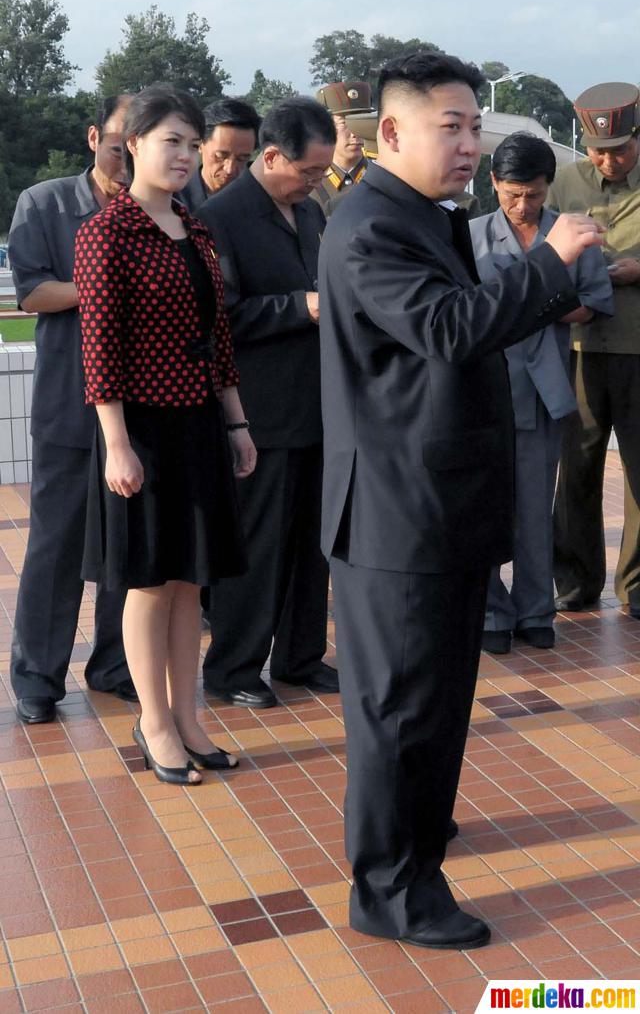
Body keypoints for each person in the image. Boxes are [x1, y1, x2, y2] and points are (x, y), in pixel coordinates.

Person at [319, 51, 604, 949]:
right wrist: (549, 265)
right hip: (397, 513)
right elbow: (448, 329)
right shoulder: (371, 226)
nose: (471, 144)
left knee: (436, 699)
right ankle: (392, 889)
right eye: (453, 126)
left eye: (476, 126)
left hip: (436, 503)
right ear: (390, 132)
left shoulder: (424, 217)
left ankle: (416, 836)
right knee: (402, 707)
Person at [74, 85, 256, 785]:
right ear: (134, 147)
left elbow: (219, 338)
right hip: (141, 429)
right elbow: (101, 348)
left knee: (190, 580)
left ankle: (190, 717)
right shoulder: (106, 232)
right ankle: (153, 722)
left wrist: (236, 421)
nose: (183, 155)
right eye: (169, 141)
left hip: (200, 422)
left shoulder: (195, 227)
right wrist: (116, 443)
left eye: (190, 142)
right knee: (149, 582)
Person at [197, 97, 338, 709]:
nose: (315, 183)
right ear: (273, 155)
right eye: (308, 171)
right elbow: (216, 317)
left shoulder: (310, 214)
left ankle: (301, 656)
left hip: (319, 407)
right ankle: (233, 668)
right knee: (256, 547)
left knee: (314, 543)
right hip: (259, 412)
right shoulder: (221, 217)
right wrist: (297, 307)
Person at [8, 95, 135, 725]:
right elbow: (32, 291)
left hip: (142, 404)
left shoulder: (162, 209)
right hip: (69, 403)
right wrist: (109, 286)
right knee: (55, 547)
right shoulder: (47, 202)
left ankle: (114, 665)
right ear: (94, 137)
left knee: (126, 546)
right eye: (118, 145)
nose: (127, 161)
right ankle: (37, 675)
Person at [470, 132, 613, 655]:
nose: (522, 205)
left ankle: (535, 609)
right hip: (486, 389)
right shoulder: (471, 236)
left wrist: (546, 303)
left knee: (534, 505)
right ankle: (489, 610)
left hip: (544, 386)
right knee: (486, 505)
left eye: (532, 193)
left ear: (548, 187)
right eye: (511, 193)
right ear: (493, 184)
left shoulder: (571, 234)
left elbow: (594, 302)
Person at [550, 82, 640, 615]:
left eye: (622, 148)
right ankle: (576, 582)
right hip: (577, 347)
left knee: (638, 470)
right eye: (599, 150)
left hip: (637, 348)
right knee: (577, 466)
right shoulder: (563, 184)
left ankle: (636, 587)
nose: (609, 159)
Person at [180, 98, 261, 212]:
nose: (230, 169)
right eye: (220, 156)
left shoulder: (259, 202)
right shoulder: (173, 199)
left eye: (242, 159)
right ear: (200, 144)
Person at [312, 82, 373, 216]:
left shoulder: (380, 178)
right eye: (344, 123)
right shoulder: (311, 186)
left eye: (360, 122)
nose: (355, 133)